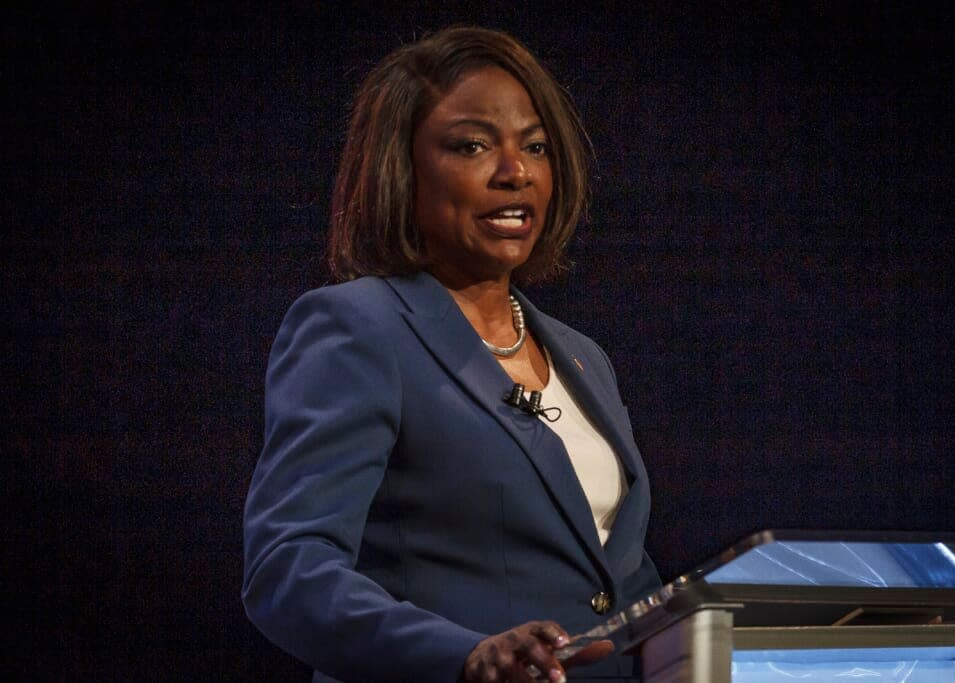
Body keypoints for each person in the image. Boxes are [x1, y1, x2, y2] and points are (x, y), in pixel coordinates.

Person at [242, 26, 662, 683]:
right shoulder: (359, 329)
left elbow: (618, 581)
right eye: (471, 145)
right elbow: (287, 567)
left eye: (535, 146)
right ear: (403, 168)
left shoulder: (585, 359)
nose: (514, 171)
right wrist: (462, 654)